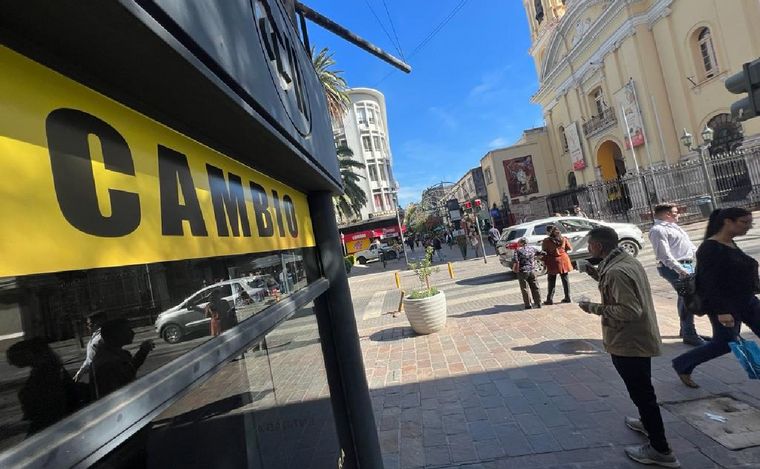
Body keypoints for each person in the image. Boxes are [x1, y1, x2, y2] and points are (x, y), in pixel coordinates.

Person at [578, 227, 680, 468]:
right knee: (642, 390)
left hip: (629, 342)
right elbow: (618, 289)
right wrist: (593, 272)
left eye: (590, 245)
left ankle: (660, 450)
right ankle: (647, 423)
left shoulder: (616, 271)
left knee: (642, 394)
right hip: (638, 338)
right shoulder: (625, 260)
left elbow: (627, 310)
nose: (588, 249)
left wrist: (591, 307)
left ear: (599, 247)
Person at [672, 208, 757, 389]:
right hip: (726, 306)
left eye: (751, 223)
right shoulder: (710, 248)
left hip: (747, 301)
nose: (748, 227)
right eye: (744, 222)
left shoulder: (730, 243)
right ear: (728, 222)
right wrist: (722, 312)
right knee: (725, 343)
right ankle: (683, 364)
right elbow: (709, 284)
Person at [649, 203, 706, 346]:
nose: (678, 214)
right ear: (667, 214)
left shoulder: (673, 227)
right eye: (675, 212)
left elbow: (687, 245)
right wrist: (681, 270)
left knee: (684, 297)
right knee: (688, 298)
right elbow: (664, 255)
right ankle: (689, 333)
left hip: (685, 264)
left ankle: (685, 329)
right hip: (674, 267)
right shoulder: (658, 230)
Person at [7, 338, 81, 435]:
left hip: (51, 427)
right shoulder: (49, 370)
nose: (13, 363)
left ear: (31, 355)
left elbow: (52, 407)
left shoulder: (47, 375)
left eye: (18, 358)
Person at [92, 318, 154, 398]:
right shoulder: (108, 362)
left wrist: (143, 351)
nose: (133, 333)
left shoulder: (114, 355)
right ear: (116, 334)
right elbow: (125, 384)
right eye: (128, 330)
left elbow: (130, 370)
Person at [542, 225, 573, 304]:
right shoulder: (564, 239)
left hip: (553, 261)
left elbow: (544, 251)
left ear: (549, 232)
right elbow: (569, 248)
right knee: (565, 280)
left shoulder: (547, 241)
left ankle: (549, 299)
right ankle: (568, 297)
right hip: (564, 260)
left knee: (551, 280)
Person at [511, 238, 542, 310]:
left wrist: (514, 269)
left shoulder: (518, 251)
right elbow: (541, 253)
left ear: (521, 243)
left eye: (518, 242)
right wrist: (534, 259)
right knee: (535, 286)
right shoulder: (532, 249)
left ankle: (528, 305)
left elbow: (515, 261)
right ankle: (538, 303)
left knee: (525, 288)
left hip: (523, 271)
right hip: (532, 270)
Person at [73, 313, 105, 382]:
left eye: (89, 323)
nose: (87, 326)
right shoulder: (95, 336)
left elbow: (92, 359)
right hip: (96, 373)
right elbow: (90, 358)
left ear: (96, 323)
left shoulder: (101, 337)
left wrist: (81, 371)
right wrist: (81, 371)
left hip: (102, 373)